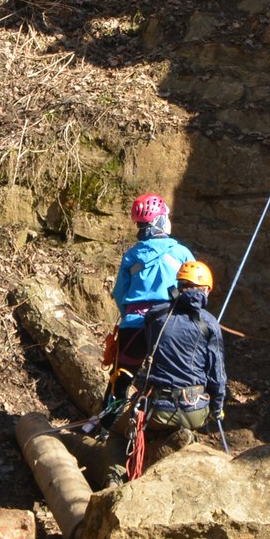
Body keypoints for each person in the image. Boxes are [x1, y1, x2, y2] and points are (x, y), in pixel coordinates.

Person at [114, 259, 229, 476]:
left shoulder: (156, 316)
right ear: (205, 290)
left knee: (117, 433)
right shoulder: (210, 323)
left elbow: (150, 352)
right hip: (195, 410)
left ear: (179, 285)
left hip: (158, 409)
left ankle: (115, 478)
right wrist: (218, 407)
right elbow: (217, 375)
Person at [111, 193, 193, 370]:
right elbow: (194, 290)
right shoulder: (181, 253)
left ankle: (116, 397)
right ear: (160, 220)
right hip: (169, 326)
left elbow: (119, 292)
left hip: (133, 326)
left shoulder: (132, 256)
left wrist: (129, 315)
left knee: (119, 383)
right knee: (168, 380)